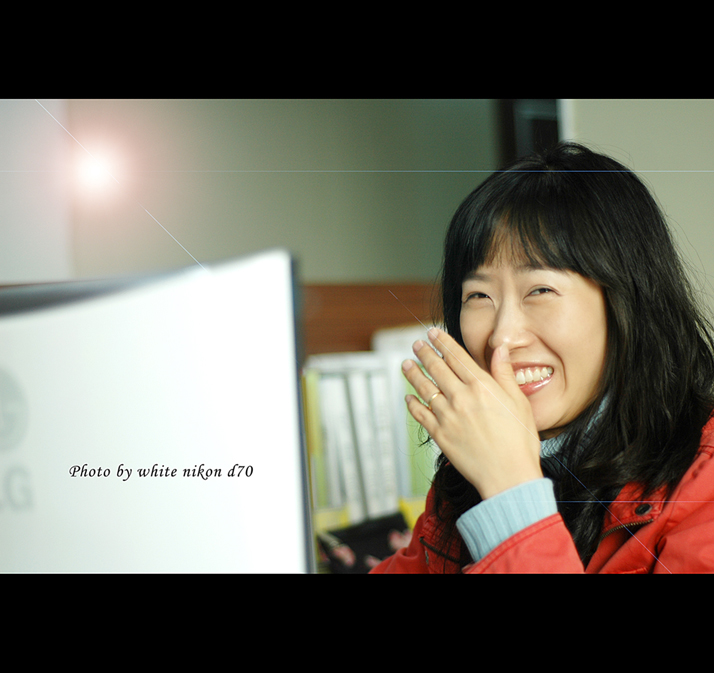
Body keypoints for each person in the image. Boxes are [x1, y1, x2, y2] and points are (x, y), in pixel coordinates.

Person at [370, 142, 714, 573]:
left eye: (540, 290)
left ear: (626, 302)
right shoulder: (470, 468)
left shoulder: (704, 480)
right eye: (479, 295)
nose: (502, 337)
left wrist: (510, 493)